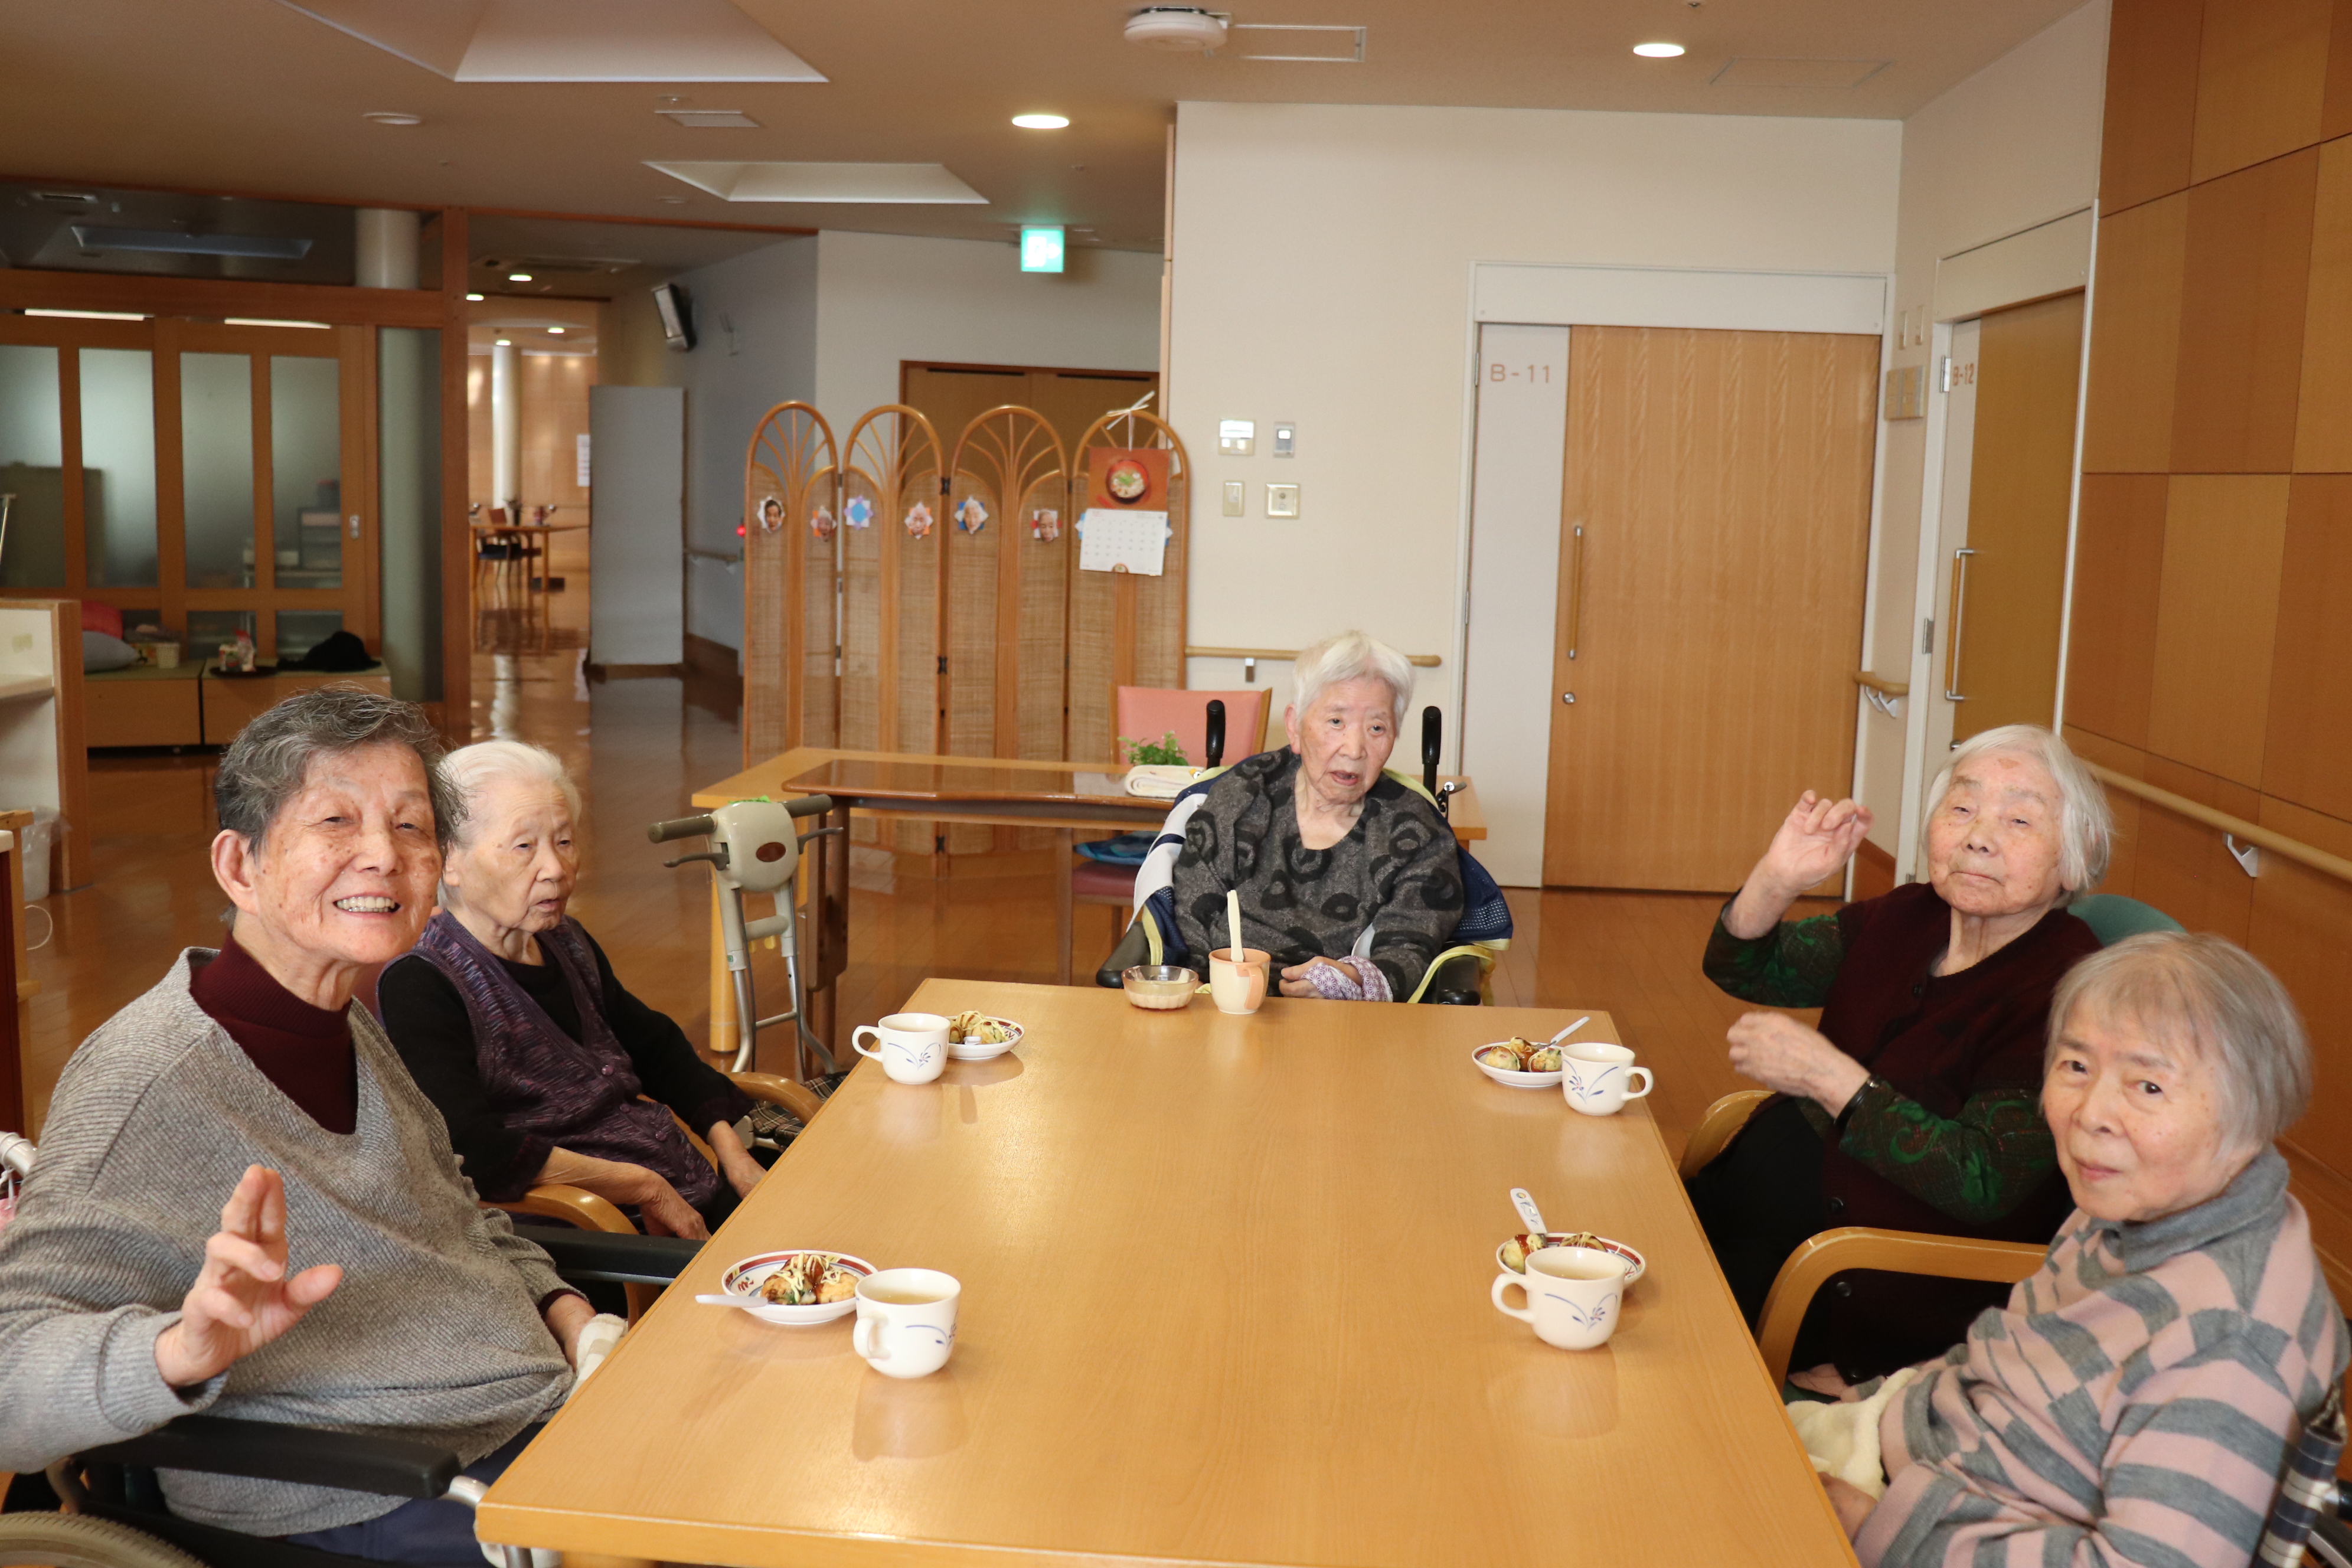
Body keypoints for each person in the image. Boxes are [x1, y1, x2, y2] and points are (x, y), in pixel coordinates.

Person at [0, 688, 592, 1563]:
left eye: (410, 826)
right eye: (335, 821)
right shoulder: (149, 1081)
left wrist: (565, 1308)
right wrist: (178, 1349)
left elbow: (454, 1217)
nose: (383, 856)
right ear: (240, 866)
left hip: (524, 1412)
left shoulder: (343, 1018)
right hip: (369, 1487)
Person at [1828, 932, 2346, 1566]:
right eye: (2075, 1067)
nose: (2090, 1113)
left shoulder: (2230, 1344)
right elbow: (2013, 1358)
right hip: (1913, 1457)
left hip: (1919, 1533)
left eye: (2148, 1086)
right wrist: (1877, 1407)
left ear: (2251, 1116)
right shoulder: (2138, 1203)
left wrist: (1871, 1527)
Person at [1686, 724, 2109, 1378]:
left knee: (1645, 1329)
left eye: (2019, 819)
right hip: (1749, 1214)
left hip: (1855, 1284)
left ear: (2076, 856)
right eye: (1962, 807)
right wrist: (1776, 878)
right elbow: (1745, 966)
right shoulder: (1910, 914)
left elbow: (1982, 1179)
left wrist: (1831, 1079)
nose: (1978, 836)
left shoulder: (2066, 989)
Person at [378, 739, 762, 1240]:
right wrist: (642, 1186)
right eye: (524, 846)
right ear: (449, 858)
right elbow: (472, 1149)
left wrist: (733, 1152)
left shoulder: (563, 939)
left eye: (563, 841)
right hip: (585, 1232)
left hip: (680, 1193)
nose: (556, 869)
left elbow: (654, 1046)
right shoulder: (422, 982)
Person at [1168, 631, 1463, 1002]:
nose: (1354, 749)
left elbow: (1411, 950)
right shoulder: (1243, 796)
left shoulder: (1415, 830)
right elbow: (1188, 925)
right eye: (1336, 721)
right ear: (1295, 726)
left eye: (1377, 728)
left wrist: (1352, 981)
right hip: (1222, 1004)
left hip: (1346, 1021)